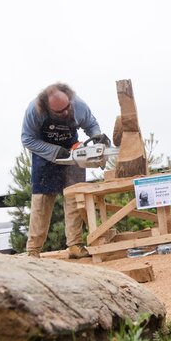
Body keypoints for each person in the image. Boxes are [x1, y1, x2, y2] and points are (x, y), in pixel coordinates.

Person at [21, 82, 110, 259]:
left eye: (66, 108)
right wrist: (54, 152)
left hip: (73, 152)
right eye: (59, 112)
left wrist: (97, 138)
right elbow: (27, 139)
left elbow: (91, 124)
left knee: (74, 199)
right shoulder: (34, 111)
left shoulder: (78, 105)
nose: (65, 113)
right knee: (41, 202)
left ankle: (75, 245)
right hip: (45, 155)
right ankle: (33, 250)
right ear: (47, 107)